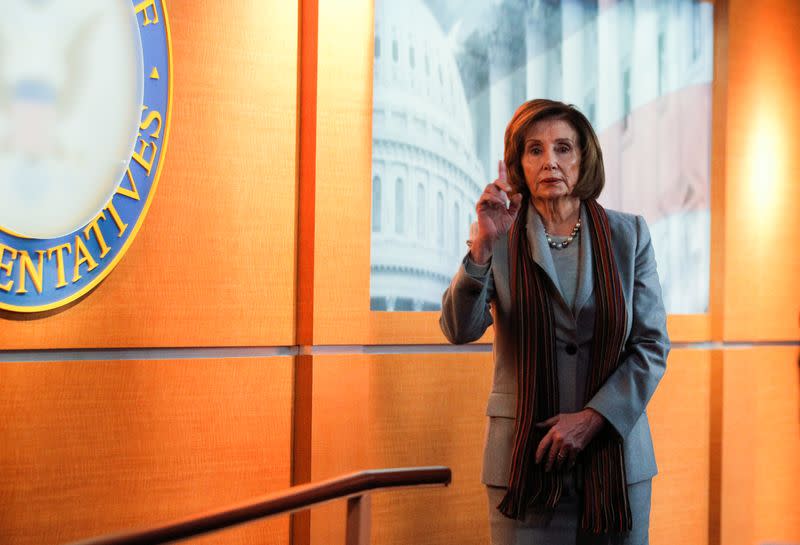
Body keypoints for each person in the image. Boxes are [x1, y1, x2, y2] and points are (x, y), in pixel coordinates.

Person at [440, 99, 669, 545]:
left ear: (584, 159)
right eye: (535, 150)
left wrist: (593, 417)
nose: (550, 162)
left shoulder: (630, 235)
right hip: (525, 462)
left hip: (616, 462)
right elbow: (458, 328)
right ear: (517, 164)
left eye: (563, 148)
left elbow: (651, 346)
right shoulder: (500, 234)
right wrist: (482, 248)